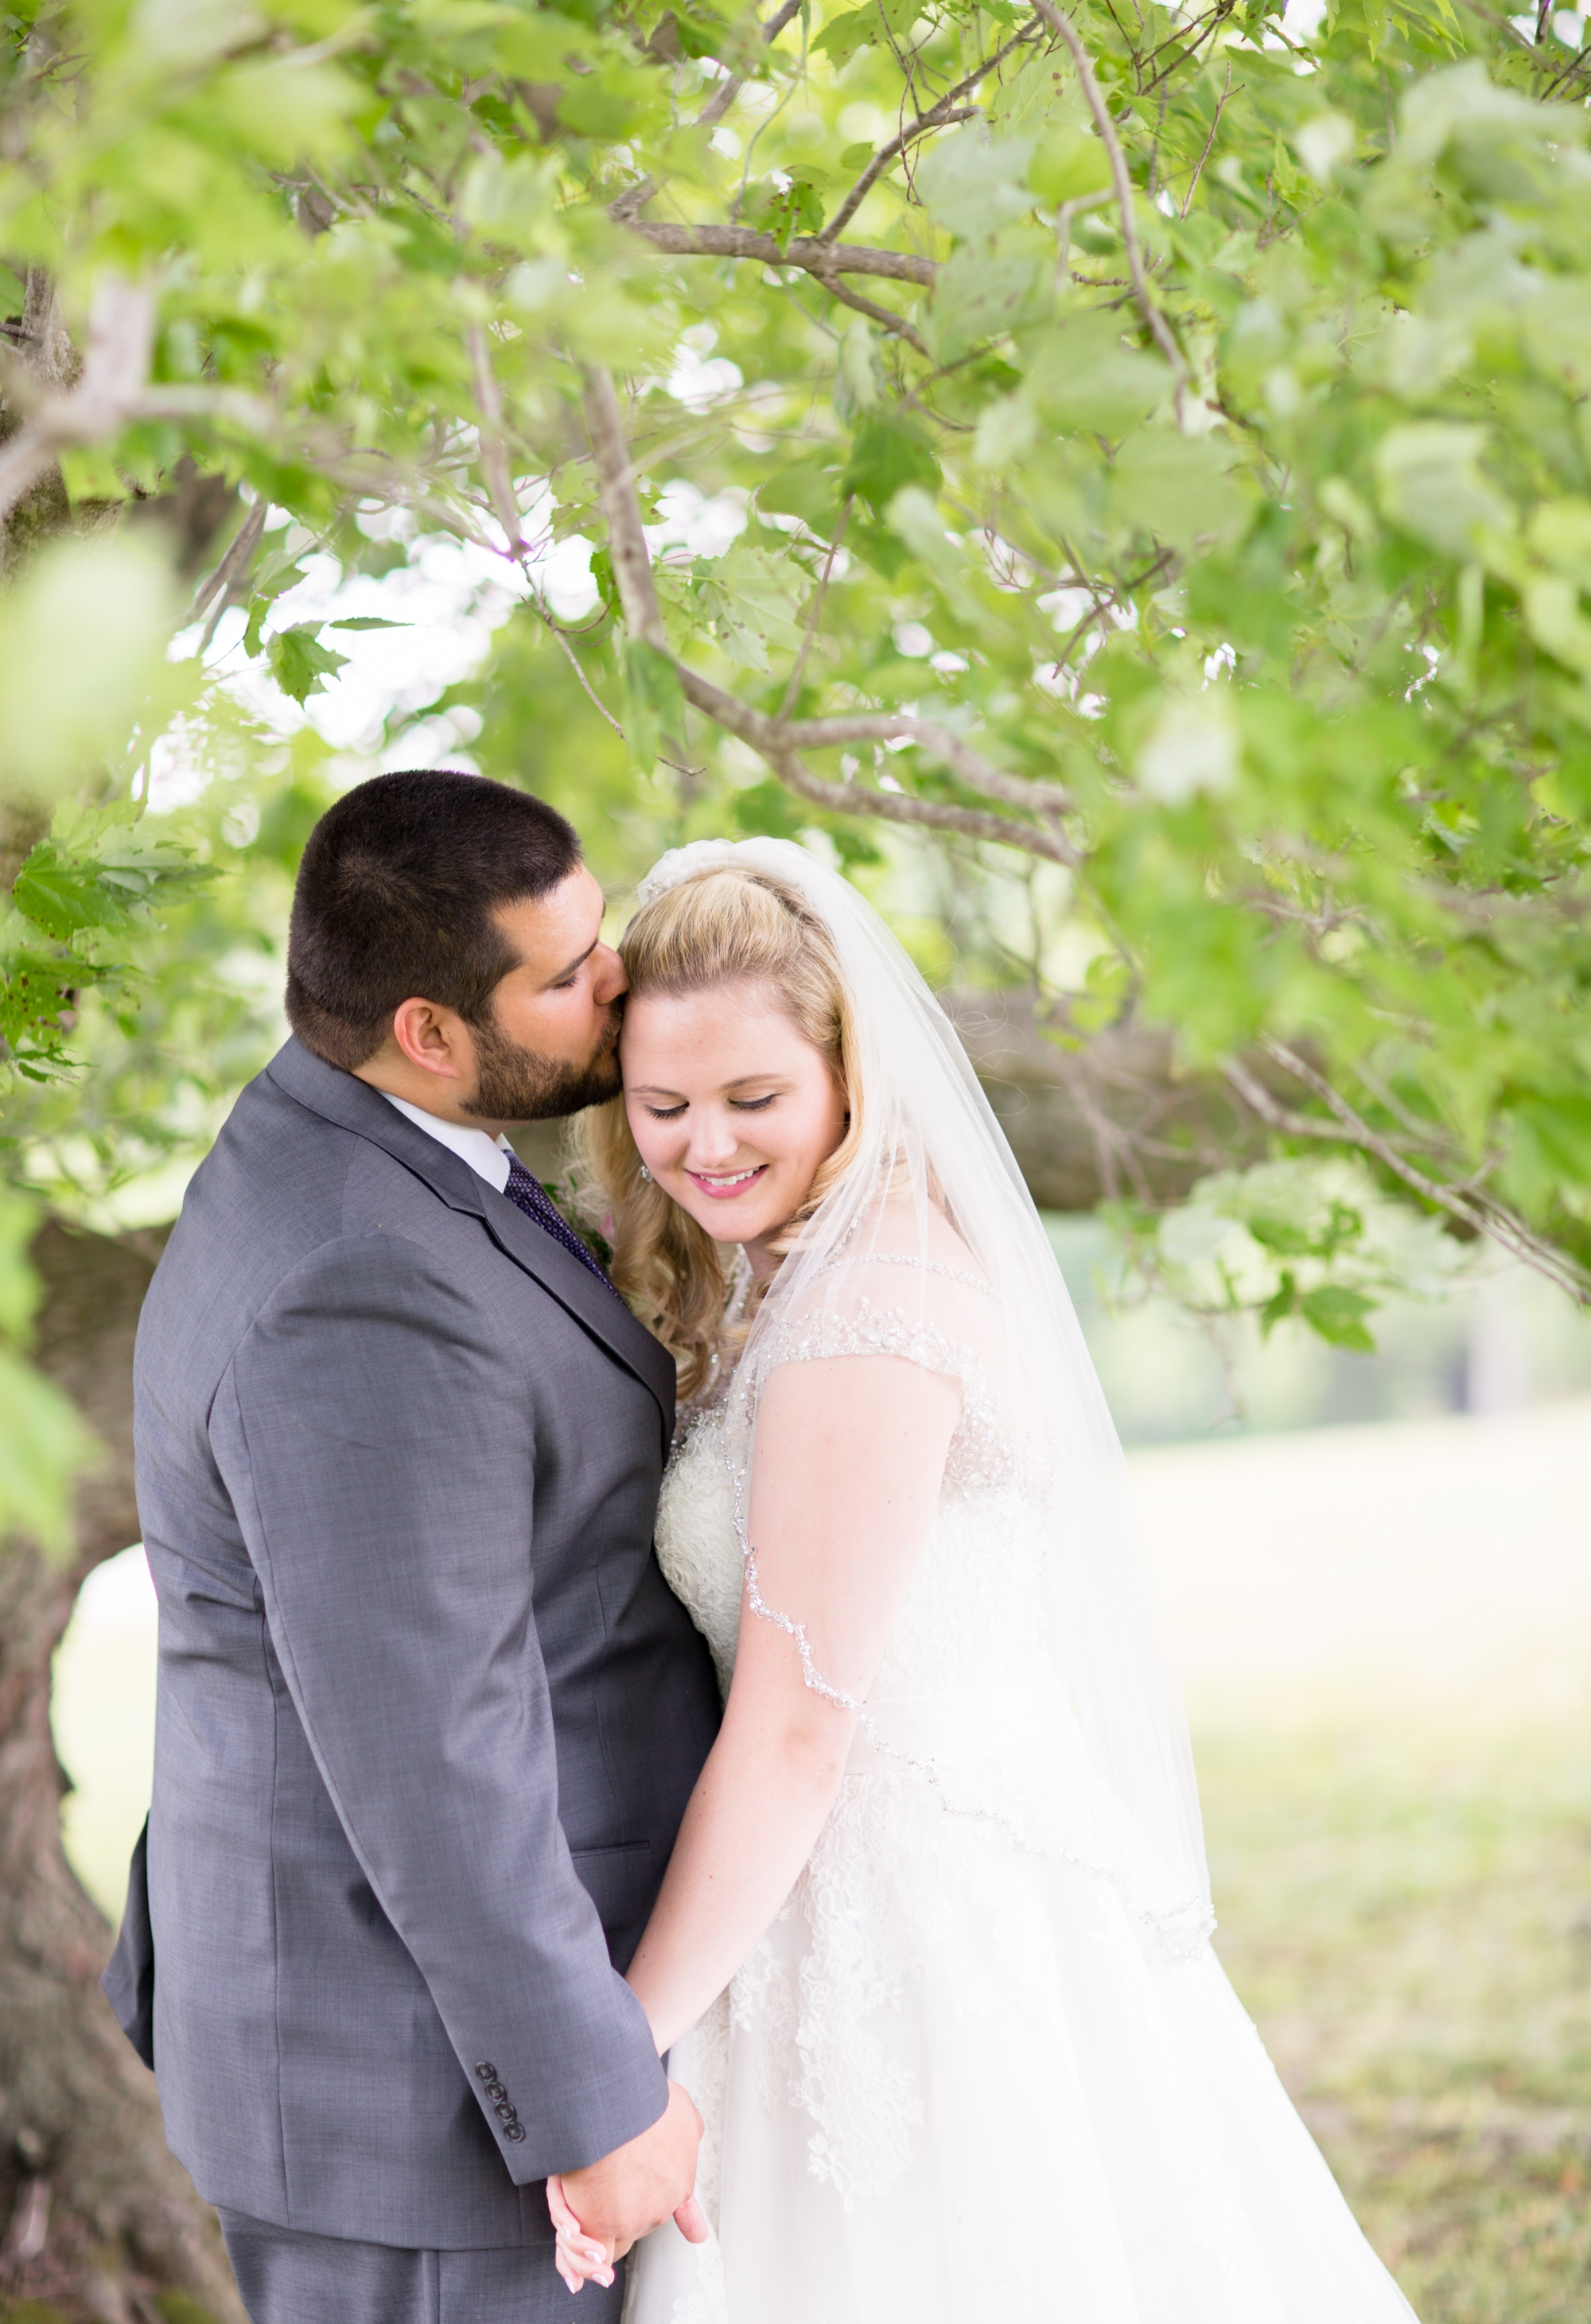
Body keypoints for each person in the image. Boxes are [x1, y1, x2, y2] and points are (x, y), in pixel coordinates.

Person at [550, 837, 1420, 2324]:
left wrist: (610, 2070)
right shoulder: (792, 1276)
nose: (706, 1146)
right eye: (664, 1106)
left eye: (755, 1100)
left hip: (913, 1929)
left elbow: (797, 1730)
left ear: (849, 1078)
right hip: (834, 1900)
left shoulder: (866, 1317)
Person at [103, 770, 722, 2324]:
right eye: (568, 976)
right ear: (430, 1031)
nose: (619, 984)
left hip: (396, 2046)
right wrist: (593, 2102)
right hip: (418, 2101)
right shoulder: (359, 1284)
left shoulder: (360, 1140)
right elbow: (432, 1746)